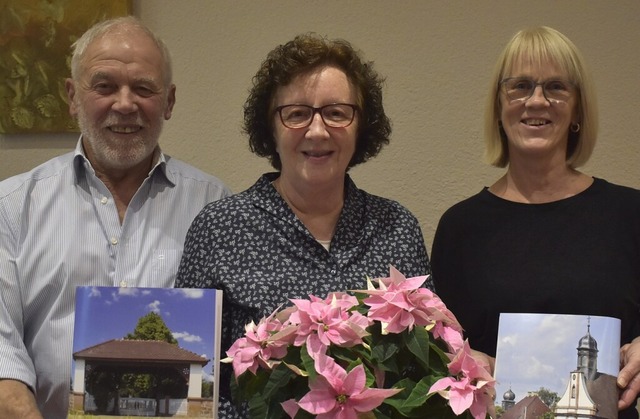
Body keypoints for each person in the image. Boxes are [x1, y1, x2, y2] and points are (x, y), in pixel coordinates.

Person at [175, 33, 431, 417]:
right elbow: (190, 383)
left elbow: (424, 368)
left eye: (337, 112)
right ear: (271, 128)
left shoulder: (397, 227)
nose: (317, 131)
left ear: (361, 126)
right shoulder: (218, 228)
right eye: (296, 113)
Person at [0, 16, 230, 418]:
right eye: (104, 86)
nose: (125, 104)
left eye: (143, 88)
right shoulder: (11, 206)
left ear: (169, 101)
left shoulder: (217, 207)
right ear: (72, 97)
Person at [431, 26, 640, 417]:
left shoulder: (631, 214)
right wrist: (460, 360)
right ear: (499, 105)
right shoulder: (460, 228)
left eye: (556, 87)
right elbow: (443, 351)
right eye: (521, 86)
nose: (537, 101)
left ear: (577, 108)